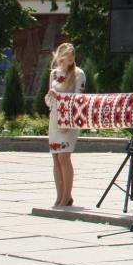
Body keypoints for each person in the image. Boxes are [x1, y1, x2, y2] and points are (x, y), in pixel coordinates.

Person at [45, 43, 86, 206]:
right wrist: (51, 98)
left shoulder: (78, 73)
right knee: (56, 157)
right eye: (68, 54)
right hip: (55, 117)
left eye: (73, 54)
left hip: (69, 118)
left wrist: (67, 119)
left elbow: (79, 98)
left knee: (64, 156)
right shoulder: (54, 73)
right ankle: (59, 195)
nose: (71, 57)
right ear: (60, 55)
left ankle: (67, 195)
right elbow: (49, 98)